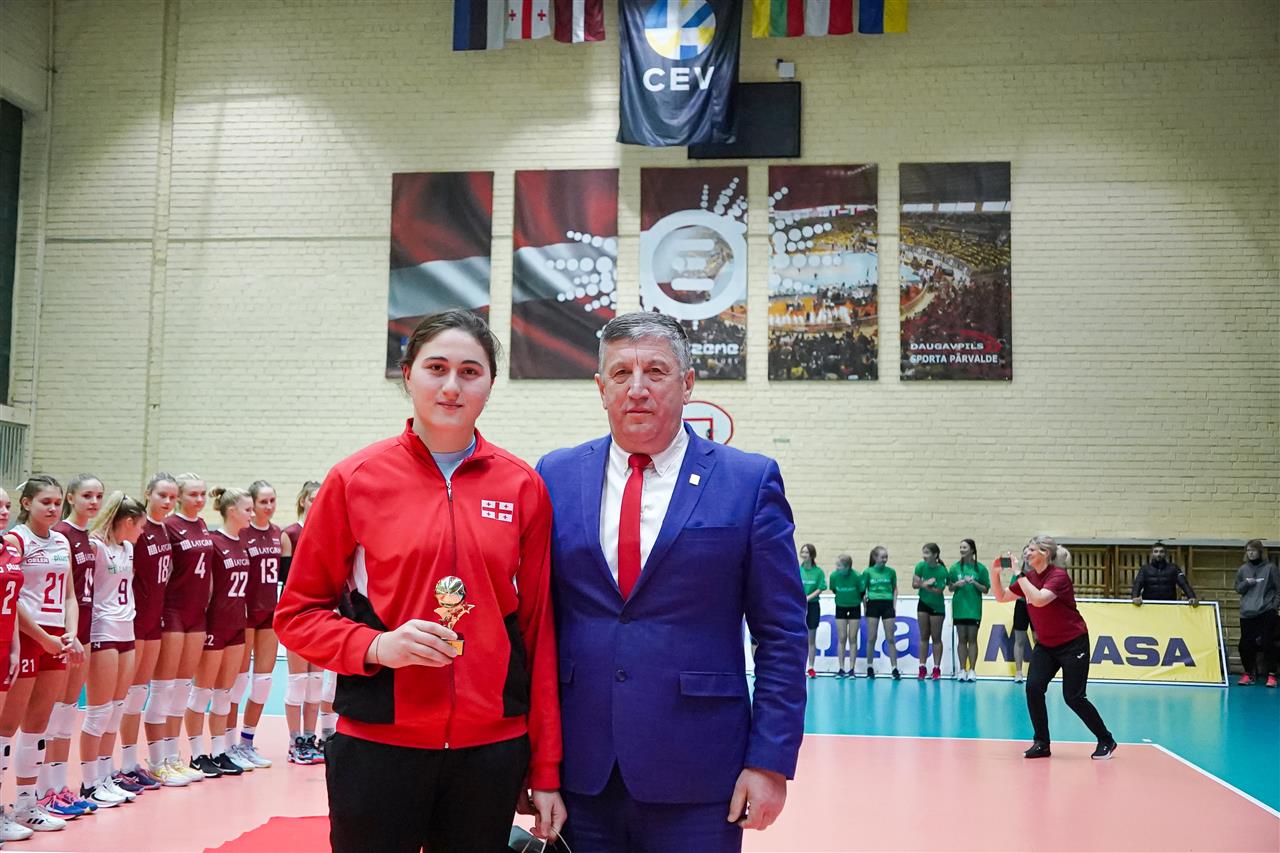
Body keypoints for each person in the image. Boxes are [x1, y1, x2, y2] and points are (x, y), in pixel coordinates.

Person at [275, 310, 565, 853]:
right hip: (378, 743)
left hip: (491, 749)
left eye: (470, 372)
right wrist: (377, 646)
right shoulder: (354, 479)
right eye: (437, 368)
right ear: (407, 374)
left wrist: (545, 766)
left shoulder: (523, 486)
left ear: (490, 383)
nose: (452, 386)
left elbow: (539, 630)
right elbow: (297, 614)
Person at [537, 311, 807, 853]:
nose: (637, 388)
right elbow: (538, 625)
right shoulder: (554, 475)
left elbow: (781, 633)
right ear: (601, 387)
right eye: (621, 373)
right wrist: (538, 764)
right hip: (580, 773)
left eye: (656, 371)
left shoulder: (748, 481)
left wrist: (769, 762)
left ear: (687, 384)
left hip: (702, 774)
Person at [1, 476, 86, 831]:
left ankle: (26, 805)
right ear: (27, 504)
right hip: (26, 636)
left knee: (39, 724)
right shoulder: (16, 539)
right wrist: (41, 636)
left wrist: (71, 633)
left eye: (56, 503)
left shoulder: (61, 540)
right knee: (7, 726)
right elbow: (12, 598)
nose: (53, 509)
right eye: (45, 502)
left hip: (56, 638)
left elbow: (69, 594)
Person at [991, 537, 1117, 760]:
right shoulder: (1029, 578)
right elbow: (1001, 597)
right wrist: (995, 573)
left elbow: (1039, 599)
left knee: (1073, 697)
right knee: (1033, 688)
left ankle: (1106, 739)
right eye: (1027, 549)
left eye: (1031, 550)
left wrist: (1018, 574)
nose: (1027, 553)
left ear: (1045, 554)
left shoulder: (1058, 577)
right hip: (1046, 645)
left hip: (1073, 643)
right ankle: (1042, 743)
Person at [78, 491, 148, 807]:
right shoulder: (96, 547)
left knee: (117, 708)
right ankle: (89, 783)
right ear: (128, 522)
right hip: (103, 629)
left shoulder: (128, 548)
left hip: (126, 629)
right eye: (140, 525)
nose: (142, 532)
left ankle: (106, 777)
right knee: (99, 711)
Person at [184, 486, 254, 779]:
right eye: (247, 509)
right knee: (202, 692)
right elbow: (205, 587)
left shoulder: (242, 543)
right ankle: (197, 755)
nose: (252, 514)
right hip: (214, 625)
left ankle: (219, 751)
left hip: (236, 623)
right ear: (231, 511)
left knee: (225, 693)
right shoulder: (213, 543)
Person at [47, 473, 104, 816]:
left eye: (98, 496)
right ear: (71, 498)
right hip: (65, 634)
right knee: (54, 713)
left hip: (84, 631)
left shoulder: (87, 537)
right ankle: (43, 790)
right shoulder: (62, 535)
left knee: (68, 712)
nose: (94, 502)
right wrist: (68, 634)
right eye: (87, 495)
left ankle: (58, 787)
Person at [123, 473, 184, 788]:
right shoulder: (139, 529)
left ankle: (151, 763)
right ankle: (125, 764)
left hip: (156, 619)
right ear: (147, 493)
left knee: (145, 693)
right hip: (135, 619)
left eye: (173, 497)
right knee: (130, 697)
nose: (168, 502)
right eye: (162, 495)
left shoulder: (166, 529)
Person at [155, 474, 215, 783]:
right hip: (174, 611)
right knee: (165, 688)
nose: (199, 499)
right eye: (193, 494)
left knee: (182, 688)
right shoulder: (169, 526)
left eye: (202, 494)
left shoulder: (202, 524)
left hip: (196, 613)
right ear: (179, 497)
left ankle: (174, 756)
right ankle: (160, 759)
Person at [229, 479, 282, 768]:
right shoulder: (242, 533)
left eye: (272, 500)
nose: (269, 506)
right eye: (263, 502)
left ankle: (247, 742)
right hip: (245, 613)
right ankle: (227, 744)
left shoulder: (277, 534)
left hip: (269, 613)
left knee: (262, 683)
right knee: (238, 682)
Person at [279, 481, 325, 765]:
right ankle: (294, 740)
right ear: (302, 501)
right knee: (298, 680)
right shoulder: (291, 534)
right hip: (297, 611)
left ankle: (309, 737)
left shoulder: (327, 531)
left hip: (322, 610)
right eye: (312, 498)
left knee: (316, 681)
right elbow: (285, 581)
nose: (316, 503)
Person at [0, 488, 35, 843]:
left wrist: (13, 647)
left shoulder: (9, 550)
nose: (3, 511)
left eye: (7, 506)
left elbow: (10, 604)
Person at [1235, 540, 1278, 687]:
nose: (1251, 553)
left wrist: (1273, 607)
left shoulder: (1270, 568)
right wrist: (1246, 583)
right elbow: (1238, 589)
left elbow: (1278, 589)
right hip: (1247, 613)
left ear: (1260, 552)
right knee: (1244, 645)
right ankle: (1248, 674)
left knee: (1267, 642)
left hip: (1266, 611)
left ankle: (1272, 675)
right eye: (1248, 550)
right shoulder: (1243, 569)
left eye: (1253, 550)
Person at [947, 539, 989, 682]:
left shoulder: (980, 569)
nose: (962, 550)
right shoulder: (954, 568)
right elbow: (950, 587)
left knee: (972, 639)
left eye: (964, 547)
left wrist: (975, 583)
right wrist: (957, 584)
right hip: (959, 608)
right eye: (960, 547)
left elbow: (985, 589)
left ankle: (972, 670)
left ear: (972, 550)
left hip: (973, 608)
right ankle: (962, 669)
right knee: (961, 639)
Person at [863, 546, 900, 680]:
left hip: (887, 604)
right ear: (875, 558)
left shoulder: (891, 572)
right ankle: (869, 666)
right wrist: (865, 607)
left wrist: (894, 605)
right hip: (873, 604)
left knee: (890, 638)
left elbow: (894, 589)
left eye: (886, 557)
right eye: (882, 557)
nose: (885, 559)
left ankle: (894, 668)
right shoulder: (868, 572)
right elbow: (863, 590)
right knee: (871, 637)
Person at [913, 543, 947, 680]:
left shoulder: (942, 571)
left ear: (935, 555)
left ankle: (936, 668)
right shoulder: (920, 566)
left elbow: (938, 591)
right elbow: (914, 584)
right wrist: (926, 583)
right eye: (924, 553)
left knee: (936, 637)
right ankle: (922, 667)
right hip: (923, 604)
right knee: (924, 636)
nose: (924, 556)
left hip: (937, 606)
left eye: (927, 553)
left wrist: (923, 584)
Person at [828, 554, 863, 678]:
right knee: (842, 637)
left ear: (848, 567)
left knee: (852, 638)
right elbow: (834, 590)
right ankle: (841, 668)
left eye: (840, 566)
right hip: (840, 607)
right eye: (836, 565)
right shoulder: (833, 576)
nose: (837, 568)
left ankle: (852, 669)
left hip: (854, 607)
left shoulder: (857, 577)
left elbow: (861, 592)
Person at [1131, 541, 1198, 606]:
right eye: (1156, 551)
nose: (1158, 554)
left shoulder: (1173, 568)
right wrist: (1135, 596)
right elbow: (1138, 583)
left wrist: (1191, 597)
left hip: (1169, 605)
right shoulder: (1145, 569)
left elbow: (1184, 583)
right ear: (1152, 553)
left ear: (1165, 553)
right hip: (1149, 605)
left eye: (1161, 552)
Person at [799, 544, 825, 678]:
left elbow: (821, 587)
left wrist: (808, 598)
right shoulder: (797, 570)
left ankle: (811, 667)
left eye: (807, 553)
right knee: (798, 638)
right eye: (802, 552)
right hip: (799, 607)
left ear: (812, 555)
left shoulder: (818, 572)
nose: (804, 555)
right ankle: (798, 666)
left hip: (813, 606)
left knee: (811, 638)